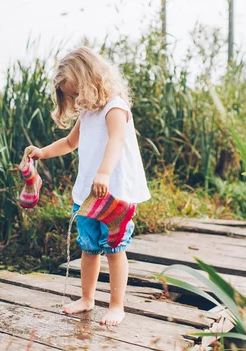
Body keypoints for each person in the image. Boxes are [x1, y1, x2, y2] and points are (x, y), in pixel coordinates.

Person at [24, 47, 151, 326]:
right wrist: (42, 152)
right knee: (89, 247)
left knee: (114, 248)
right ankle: (87, 298)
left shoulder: (114, 107)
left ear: (90, 79)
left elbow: (116, 141)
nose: (75, 99)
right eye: (70, 96)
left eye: (76, 92)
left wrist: (104, 173)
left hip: (114, 190)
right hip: (88, 194)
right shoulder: (87, 114)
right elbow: (70, 143)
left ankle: (117, 305)